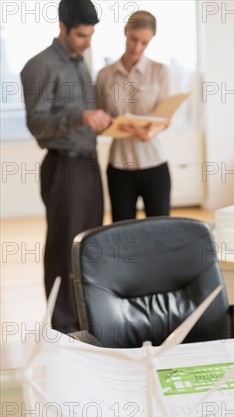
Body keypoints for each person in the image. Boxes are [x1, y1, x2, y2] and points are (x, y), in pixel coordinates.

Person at [20, 0, 112, 334]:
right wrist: (80, 116)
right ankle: (63, 328)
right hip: (64, 167)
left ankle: (85, 321)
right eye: (81, 36)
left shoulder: (79, 62)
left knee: (87, 245)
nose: (87, 42)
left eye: (90, 35)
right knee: (63, 247)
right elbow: (37, 123)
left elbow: (84, 112)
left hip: (89, 163)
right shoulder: (40, 65)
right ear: (62, 27)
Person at [96, 10, 171, 221]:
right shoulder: (104, 75)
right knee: (121, 233)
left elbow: (166, 118)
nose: (137, 47)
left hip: (154, 165)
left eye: (144, 43)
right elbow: (100, 118)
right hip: (119, 167)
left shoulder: (160, 72)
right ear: (125, 32)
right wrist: (110, 124)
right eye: (133, 39)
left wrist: (148, 131)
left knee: (159, 230)